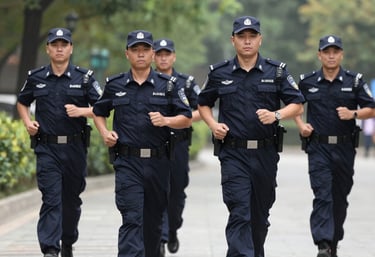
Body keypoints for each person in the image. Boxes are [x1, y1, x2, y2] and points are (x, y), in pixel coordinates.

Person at [198, 16, 305, 257]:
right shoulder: (219, 72)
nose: (247, 42)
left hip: (265, 154)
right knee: (239, 210)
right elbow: (203, 103)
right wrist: (213, 125)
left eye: (252, 36)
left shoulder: (277, 71)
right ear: (233, 40)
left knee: (259, 216)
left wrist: (276, 115)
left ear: (260, 39)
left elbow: (298, 105)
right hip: (233, 154)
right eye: (242, 37)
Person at [92, 30, 192, 257]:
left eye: (145, 50)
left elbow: (185, 118)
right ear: (127, 53)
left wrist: (166, 120)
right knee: (131, 218)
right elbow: (99, 112)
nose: (140, 54)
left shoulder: (168, 85)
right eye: (135, 50)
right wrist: (105, 132)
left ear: (152, 53)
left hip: (158, 163)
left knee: (153, 222)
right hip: (127, 162)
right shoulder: (115, 84)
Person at [17, 28, 102, 257]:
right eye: (55, 44)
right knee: (51, 198)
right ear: (48, 49)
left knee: (71, 201)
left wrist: (81, 111)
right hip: (47, 149)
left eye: (64, 44)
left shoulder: (84, 78)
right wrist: (28, 122)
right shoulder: (36, 77)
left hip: (75, 148)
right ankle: (50, 249)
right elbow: (22, 102)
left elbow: (102, 107)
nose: (59, 48)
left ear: (71, 49)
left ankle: (67, 240)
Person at [294, 34, 375, 257]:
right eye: (326, 52)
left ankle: (333, 242)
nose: (331, 56)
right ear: (319, 55)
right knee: (323, 195)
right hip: (318, 148)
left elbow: (372, 108)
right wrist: (301, 125)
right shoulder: (307, 81)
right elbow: (295, 106)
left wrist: (353, 113)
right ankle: (322, 243)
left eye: (335, 52)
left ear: (341, 54)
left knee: (339, 199)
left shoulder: (355, 81)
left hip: (345, 148)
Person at [152, 38, 201, 256]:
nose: (163, 58)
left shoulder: (187, 83)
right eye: (159, 54)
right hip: (152, 146)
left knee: (177, 192)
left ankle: (172, 229)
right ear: (154, 56)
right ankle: (161, 237)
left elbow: (202, 109)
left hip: (178, 145)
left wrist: (179, 120)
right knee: (156, 191)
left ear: (174, 56)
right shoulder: (145, 81)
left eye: (167, 54)